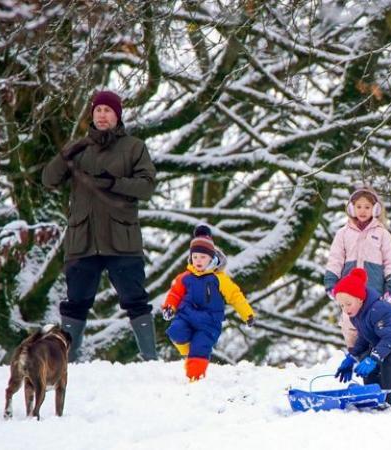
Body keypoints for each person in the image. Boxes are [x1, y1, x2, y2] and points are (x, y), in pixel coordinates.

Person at [42, 90, 158, 362]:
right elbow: (48, 179)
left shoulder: (134, 147)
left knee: (135, 299)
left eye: (108, 110)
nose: (102, 115)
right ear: (91, 116)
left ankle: (151, 359)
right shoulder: (78, 148)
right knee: (75, 303)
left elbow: (147, 186)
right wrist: (65, 154)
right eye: (97, 110)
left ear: (117, 116)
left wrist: (114, 183)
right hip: (83, 239)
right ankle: (68, 362)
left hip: (122, 238)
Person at [161, 225, 255, 381]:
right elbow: (175, 293)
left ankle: (195, 378)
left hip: (209, 323)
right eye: (195, 257)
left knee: (200, 348)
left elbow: (235, 296)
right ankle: (187, 353)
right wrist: (169, 307)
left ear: (212, 258)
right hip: (186, 316)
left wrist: (248, 314)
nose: (198, 261)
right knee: (175, 331)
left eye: (203, 257)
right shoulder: (184, 277)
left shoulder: (219, 279)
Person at [333, 268, 391, 409]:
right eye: (341, 305)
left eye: (348, 304)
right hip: (386, 338)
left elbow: (390, 339)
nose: (345, 309)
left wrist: (374, 358)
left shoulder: (378, 309)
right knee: (366, 358)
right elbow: (364, 337)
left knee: (387, 360)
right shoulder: (356, 315)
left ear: (360, 298)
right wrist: (352, 356)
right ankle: (375, 396)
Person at [324, 186, 391, 349]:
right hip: (348, 291)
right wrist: (331, 282)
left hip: (373, 289)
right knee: (350, 323)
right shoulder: (343, 234)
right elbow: (335, 259)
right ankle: (354, 351)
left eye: (367, 207)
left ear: (376, 209)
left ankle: (374, 353)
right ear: (352, 208)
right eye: (359, 207)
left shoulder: (382, 234)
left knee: (373, 321)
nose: (363, 211)